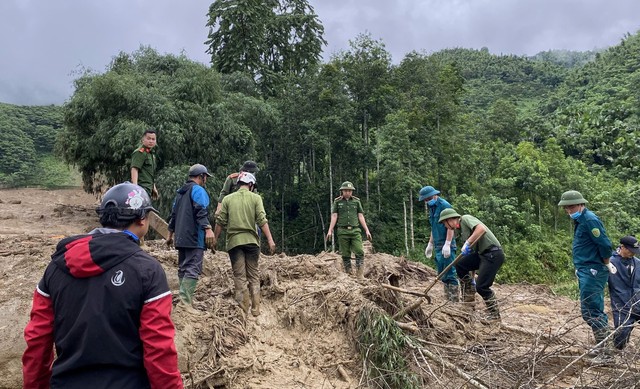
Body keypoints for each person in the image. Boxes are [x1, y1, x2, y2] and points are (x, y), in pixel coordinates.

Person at [22, 182, 183, 389]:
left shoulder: (56, 267)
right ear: (142, 219)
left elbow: (37, 341)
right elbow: (159, 349)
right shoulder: (147, 271)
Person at [558, 190, 614, 361]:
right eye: (567, 208)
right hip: (585, 269)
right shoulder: (580, 220)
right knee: (587, 310)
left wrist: (605, 262)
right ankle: (602, 346)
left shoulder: (590, 220)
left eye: (572, 206)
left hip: (593, 270)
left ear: (581, 204)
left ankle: (607, 353)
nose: (569, 210)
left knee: (593, 310)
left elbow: (605, 244)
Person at [214, 172, 276, 316]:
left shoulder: (228, 199)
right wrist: (270, 240)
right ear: (250, 185)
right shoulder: (256, 198)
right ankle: (256, 309)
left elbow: (220, 221)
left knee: (239, 276)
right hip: (252, 243)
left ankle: (243, 309)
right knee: (253, 275)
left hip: (235, 243)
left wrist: (215, 239)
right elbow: (262, 220)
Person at [438, 208, 504, 320]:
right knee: (460, 264)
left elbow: (481, 229)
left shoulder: (465, 219)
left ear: (450, 219)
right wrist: (472, 278)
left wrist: (468, 243)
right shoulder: (462, 230)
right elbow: (472, 255)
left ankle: (495, 315)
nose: (446, 226)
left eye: (445, 223)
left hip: (493, 254)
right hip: (482, 255)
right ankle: (468, 293)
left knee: (482, 286)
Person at [167, 164, 215, 308]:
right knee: (193, 268)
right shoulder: (198, 190)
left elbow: (173, 216)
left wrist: (170, 235)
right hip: (194, 237)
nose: (205, 179)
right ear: (202, 176)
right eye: (205, 177)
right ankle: (185, 303)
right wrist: (208, 229)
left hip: (180, 238)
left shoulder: (180, 193)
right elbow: (200, 211)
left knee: (183, 268)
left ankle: (184, 301)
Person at [419, 185, 458, 302]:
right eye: (425, 200)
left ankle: (454, 301)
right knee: (442, 273)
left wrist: (448, 243)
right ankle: (448, 299)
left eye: (428, 199)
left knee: (450, 272)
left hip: (447, 244)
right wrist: (430, 244)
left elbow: (451, 225)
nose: (427, 201)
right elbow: (433, 226)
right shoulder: (432, 209)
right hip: (437, 245)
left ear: (434, 195)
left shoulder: (444, 206)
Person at [326, 181, 373, 279]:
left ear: (352, 192)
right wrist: (330, 230)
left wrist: (367, 230)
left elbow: (360, 216)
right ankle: (349, 274)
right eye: (345, 190)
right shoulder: (337, 202)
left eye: (349, 191)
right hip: (342, 231)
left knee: (359, 251)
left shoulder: (356, 201)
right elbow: (334, 216)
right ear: (342, 191)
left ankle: (360, 275)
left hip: (355, 231)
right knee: (345, 253)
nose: (347, 192)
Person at [608, 235, 640, 351]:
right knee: (621, 334)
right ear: (623, 247)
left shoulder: (637, 263)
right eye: (631, 251)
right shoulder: (610, 262)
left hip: (638, 302)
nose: (633, 254)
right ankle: (618, 351)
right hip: (621, 304)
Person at [131, 129, 159, 200]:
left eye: (153, 139)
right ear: (143, 139)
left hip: (148, 188)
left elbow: (149, 173)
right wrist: (135, 188)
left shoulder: (150, 154)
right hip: (141, 188)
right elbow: (134, 169)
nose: (151, 141)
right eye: (148, 138)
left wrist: (153, 187)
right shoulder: (140, 152)